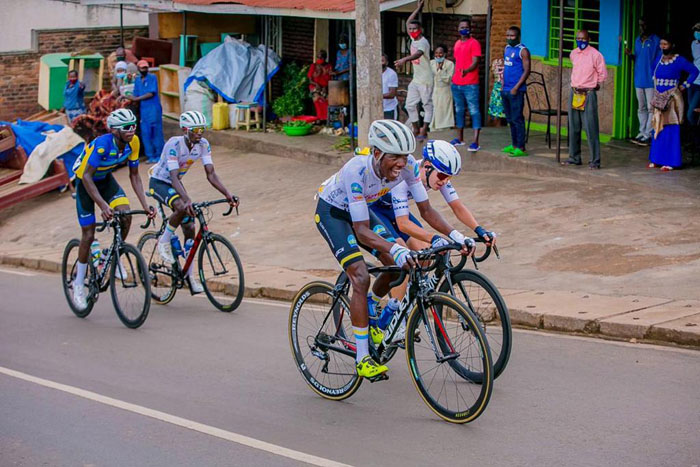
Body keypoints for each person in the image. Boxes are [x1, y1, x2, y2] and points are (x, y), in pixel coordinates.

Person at [315, 120, 474, 379]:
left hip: (362, 211)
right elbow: (361, 230)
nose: (401, 163)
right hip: (333, 213)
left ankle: (372, 307)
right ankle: (363, 358)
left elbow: (426, 210)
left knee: (399, 266)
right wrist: (397, 248)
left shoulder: (408, 167)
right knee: (360, 276)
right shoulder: (357, 171)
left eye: (405, 156)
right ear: (377, 153)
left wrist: (455, 235)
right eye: (394, 157)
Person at [368, 140, 495, 330]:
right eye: (443, 175)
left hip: (394, 211)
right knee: (403, 257)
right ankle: (393, 314)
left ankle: (409, 299)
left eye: (449, 177)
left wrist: (478, 230)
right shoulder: (405, 176)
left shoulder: (437, 176)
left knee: (426, 254)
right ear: (427, 166)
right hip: (374, 211)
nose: (445, 181)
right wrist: (435, 237)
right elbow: (403, 224)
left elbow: (457, 207)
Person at [70, 109, 155, 309]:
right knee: (88, 234)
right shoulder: (102, 145)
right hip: (85, 183)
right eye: (126, 127)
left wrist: (145, 205)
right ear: (115, 130)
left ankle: (112, 255)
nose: (131, 130)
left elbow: (134, 176)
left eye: (133, 125)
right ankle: (79, 283)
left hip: (106, 180)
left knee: (125, 214)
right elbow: (87, 177)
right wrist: (103, 206)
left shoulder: (133, 142)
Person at [149, 111, 239, 292]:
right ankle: (164, 241)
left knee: (190, 227)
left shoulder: (203, 144)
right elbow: (173, 177)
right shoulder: (174, 144)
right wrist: (187, 199)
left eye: (202, 129)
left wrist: (228, 194)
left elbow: (211, 174)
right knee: (182, 206)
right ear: (185, 130)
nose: (200, 133)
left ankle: (189, 276)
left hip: (175, 184)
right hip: (160, 182)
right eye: (196, 130)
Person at [647, 36, 699, 171]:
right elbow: (652, 70)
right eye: (661, 44)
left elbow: (695, 71)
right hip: (659, 98)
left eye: (665, 44)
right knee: (658, 126)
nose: (662, 46)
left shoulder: (679, 60)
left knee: (671, 127)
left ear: (672, 45)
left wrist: (685, 85)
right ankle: (656, 159)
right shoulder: (658, 59)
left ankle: (671, 161)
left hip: (672, 98)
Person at [562, 30, 607, 170]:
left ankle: (595, 160)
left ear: (589, 39)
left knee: (590, 127)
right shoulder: (573, 53)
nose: (581, 41)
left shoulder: (596, 55)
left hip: (588, 93)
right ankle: (574, 157)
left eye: (583, 39)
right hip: (575, 92)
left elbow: (602, 74)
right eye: (578, 38)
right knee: (573, 126)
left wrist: (594, 85)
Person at [395, 0, 433, 140]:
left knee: (427, 105)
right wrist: (418, 9)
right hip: (416, 79)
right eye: (410, 29)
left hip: (426, 79)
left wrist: (404, 60)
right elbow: (408, 22)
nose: (411, 31)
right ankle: (416, 127)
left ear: (420, 29)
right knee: (409, 105)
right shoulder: (413, 38)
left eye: (414, 29)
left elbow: (418, 54)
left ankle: (424, 129)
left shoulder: (423, 42)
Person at [624, 18, 661, 146]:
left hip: (650, 80)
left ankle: (648, 134)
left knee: (651, 108)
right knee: (641, 107)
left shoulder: (656, 41)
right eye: (640, 25)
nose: (642, 28)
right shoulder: (637, 41)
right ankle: (642, 131)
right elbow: (638, 58)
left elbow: (659, 60)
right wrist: (630, 55)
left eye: (644, 25)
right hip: (639, 79)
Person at [451, 17, 482, 151]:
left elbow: (475, 62)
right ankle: (460, 138)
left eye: (466, 27)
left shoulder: (474, 43)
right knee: (459, 110)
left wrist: (467, 71)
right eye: (462, 27)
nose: (464, 29)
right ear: (458, 29)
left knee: (474, 110)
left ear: (470, 29)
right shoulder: (457, 43)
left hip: (470, 83)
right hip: (456, 83)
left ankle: (475, 141)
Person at [501, 26, 531, 158]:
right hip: (506, 89)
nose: (509, 38)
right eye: (507, 35)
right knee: (510, 119)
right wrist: (503, 84)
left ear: (518, 37)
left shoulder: (523, 51)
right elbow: (506, 67)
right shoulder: (507, 48)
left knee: (517, 118)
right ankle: (514, 145)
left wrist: (516, 87)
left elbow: (527, 70)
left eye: (512, 36)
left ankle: (521, 147)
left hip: (516, 90)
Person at [127, 60, 164, 164]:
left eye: (146, 68)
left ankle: (159, 154)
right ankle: (150, 155)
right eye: (142, 68)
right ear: (138, 69)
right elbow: (135, 93)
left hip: (154, 109)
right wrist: (126, 96)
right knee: (146, 133)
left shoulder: (152, 77)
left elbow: (151, 93)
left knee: (156, 132)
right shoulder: (138, 80)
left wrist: (136, 99)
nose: (144, 69)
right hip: (144, 111)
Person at [430, 45, 455, 130]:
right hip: (435, 90)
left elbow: (449, 79)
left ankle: (444, 130)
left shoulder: (450, 64)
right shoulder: (431, 63)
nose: (438, 55)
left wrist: (441, 70)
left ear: (444, 54)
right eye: (436, 53)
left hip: (445, 91)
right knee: (435, 110)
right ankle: (434, 129)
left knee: (444, 111)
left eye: (440, 53)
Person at [307, 50, 332, 121]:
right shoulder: (313, 66)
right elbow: (310, 80)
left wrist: (325, 87)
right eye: (318, 57)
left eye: (322, 57)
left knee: (326, 101)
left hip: (325, 87)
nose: (320, 59)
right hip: (315, 87)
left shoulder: (328, 66)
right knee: (317, 100)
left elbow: (330, 78)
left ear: (325, 58)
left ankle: (325, 119)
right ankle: (319, 118)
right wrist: (317, 84)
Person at [688, 23, 700, 127]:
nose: (697, 33)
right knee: (692, 112)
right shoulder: (693, 44)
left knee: (690, 115)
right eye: (695, 30)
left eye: (699, 30)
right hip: (692, 81)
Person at [381, 53, 399, 120]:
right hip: (377, 108)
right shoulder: (373, 73)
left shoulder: (391, 74)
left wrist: (377, 96)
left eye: (382, 61)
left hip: (389, 108)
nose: (380, 63)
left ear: (387, 63)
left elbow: (392, 94)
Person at [488, 57, 506, 123]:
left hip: (498, 86)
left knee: (496, 108)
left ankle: (497, 121)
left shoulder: (495, 62)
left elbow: (492, 75)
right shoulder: (507, 62)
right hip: (504, 86)